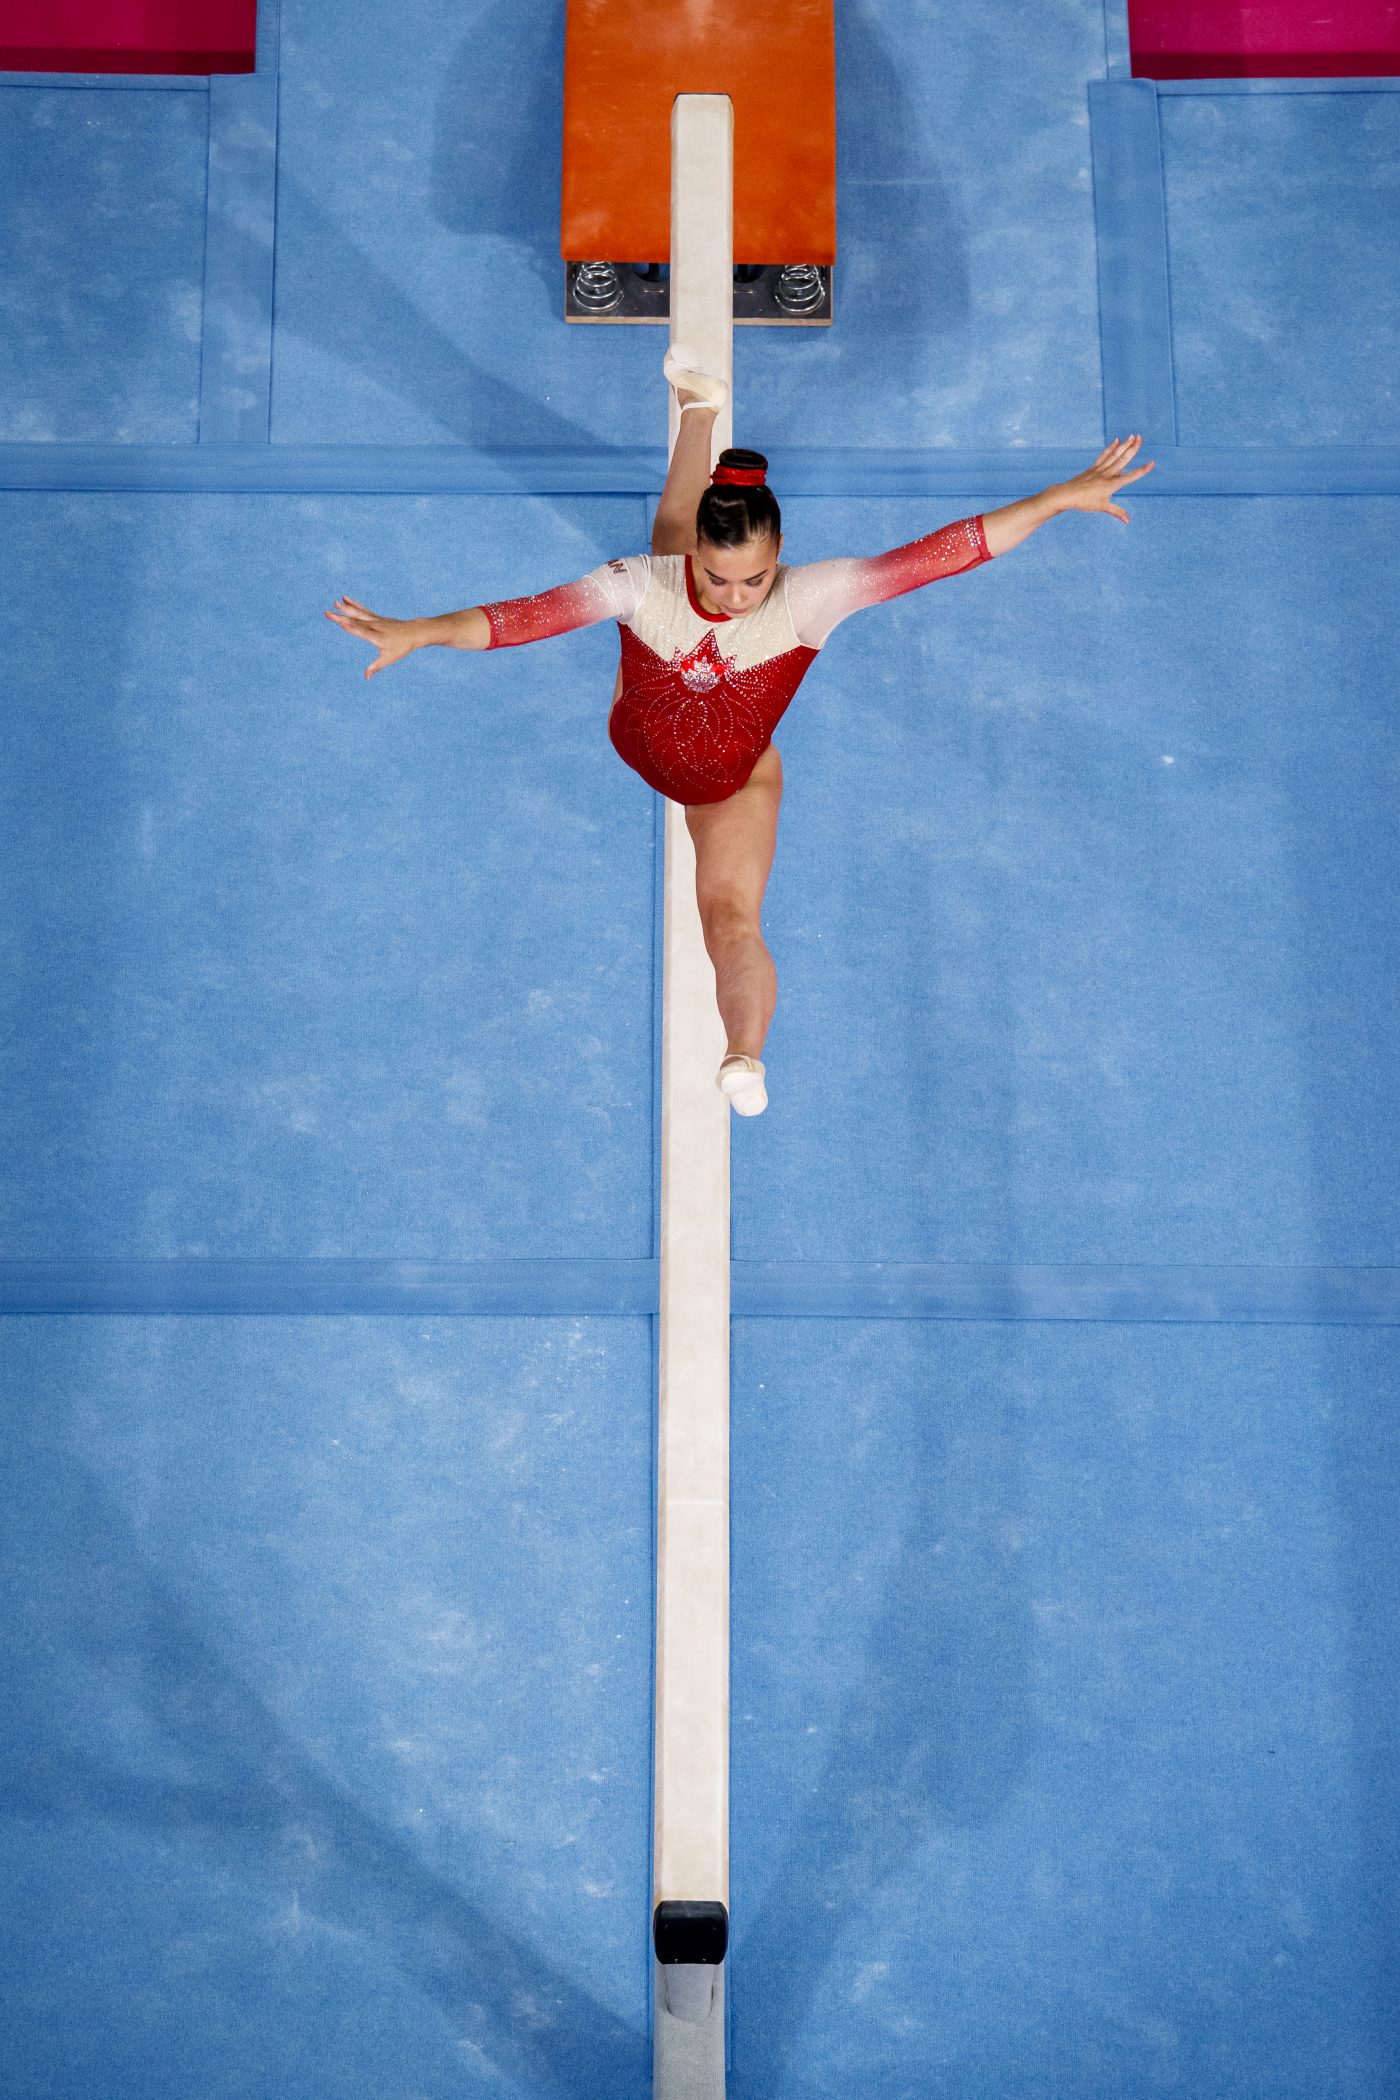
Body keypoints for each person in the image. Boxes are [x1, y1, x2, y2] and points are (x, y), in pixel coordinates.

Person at [326, 350, 1154, 1117]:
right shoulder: (646, 583)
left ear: (781, 550)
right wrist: (420, 630)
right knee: (655, 559)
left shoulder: (813, 597)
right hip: (636, 726)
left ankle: (745, 1055)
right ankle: (695, 414)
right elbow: (521, 619)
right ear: (703, 557)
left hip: (730, 785)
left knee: (730, 923)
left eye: (754, 576)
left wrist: (1054, 498)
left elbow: (945, 552)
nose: (734, 595)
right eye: (717, 577)